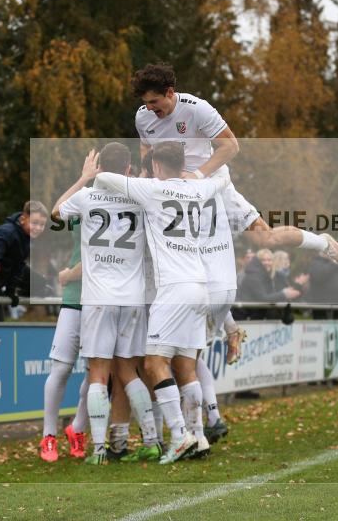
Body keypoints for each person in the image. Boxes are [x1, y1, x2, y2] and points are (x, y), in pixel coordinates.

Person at [132, 63, 338, 267]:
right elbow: (146, 147)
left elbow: (231, 146)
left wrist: (197, 176)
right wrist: (146, 175)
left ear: (170, 93)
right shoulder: (143, 117)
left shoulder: (198, 109)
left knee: (265, 238)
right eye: (146, 103)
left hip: (213, 185)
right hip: (174, 190)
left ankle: (323, 244)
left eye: (154, 102)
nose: (150, 108)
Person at [93, 141, 229, 463]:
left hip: (174, 289)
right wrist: (200, 174)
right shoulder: (198, 190)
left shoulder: (151, 189)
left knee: (153, 363)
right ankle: (198, 437)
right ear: (181, 165)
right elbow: (223, 174)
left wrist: (95, 172)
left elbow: (107, 180)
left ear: (154, 165)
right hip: (201, 287)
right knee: (186, 364)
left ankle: (180, 436)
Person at [54, 143, 161, 465]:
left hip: (99, 297)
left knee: (98, 372)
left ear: (100, 168)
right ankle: (152, 440)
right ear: (128, 170)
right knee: (129, 371)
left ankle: (99, 450)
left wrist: (83, 178)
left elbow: (56, 212)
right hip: (133, 299)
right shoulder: (141, 198)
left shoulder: (87, 196)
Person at [38, 218, 90, 463]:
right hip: (74, 300)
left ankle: (77, 428)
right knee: (62, 368)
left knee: (98, 374)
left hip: (105, 302)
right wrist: (85, 177)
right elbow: (58, 212)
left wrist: (70, 274)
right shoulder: (85, 201)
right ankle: (48, 436)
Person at [0, 201, 49, 321]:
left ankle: (17, 292)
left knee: (41, 283)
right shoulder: (7, 232)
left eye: (42, 225)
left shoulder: (27, 237)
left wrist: (11, 290)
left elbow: (19, 265)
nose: (38, 228)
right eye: (34, 223)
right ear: (23, 219)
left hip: (4, 273)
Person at [235, 248, 302, 320]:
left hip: (258, 317)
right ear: (257, 261)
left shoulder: (268, 276)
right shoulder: (253, 276)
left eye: (269, 260)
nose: (267, 262)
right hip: (246, 318)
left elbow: (272, 295)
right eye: (263, 260)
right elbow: (262, 299)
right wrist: (284, 294)